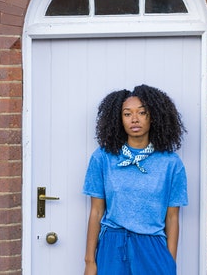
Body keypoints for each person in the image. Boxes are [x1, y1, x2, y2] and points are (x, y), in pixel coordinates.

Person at [83, 84, 188, 275]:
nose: (135, 119)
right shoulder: (103, 158)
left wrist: (169, 262)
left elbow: (172, 217)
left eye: (142, 112)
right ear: (119, 119)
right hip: (112, 246)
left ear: (153, 116)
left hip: (152, 246)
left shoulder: (171, 163)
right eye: (127, 114)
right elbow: (97, 211)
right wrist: (90, 261)